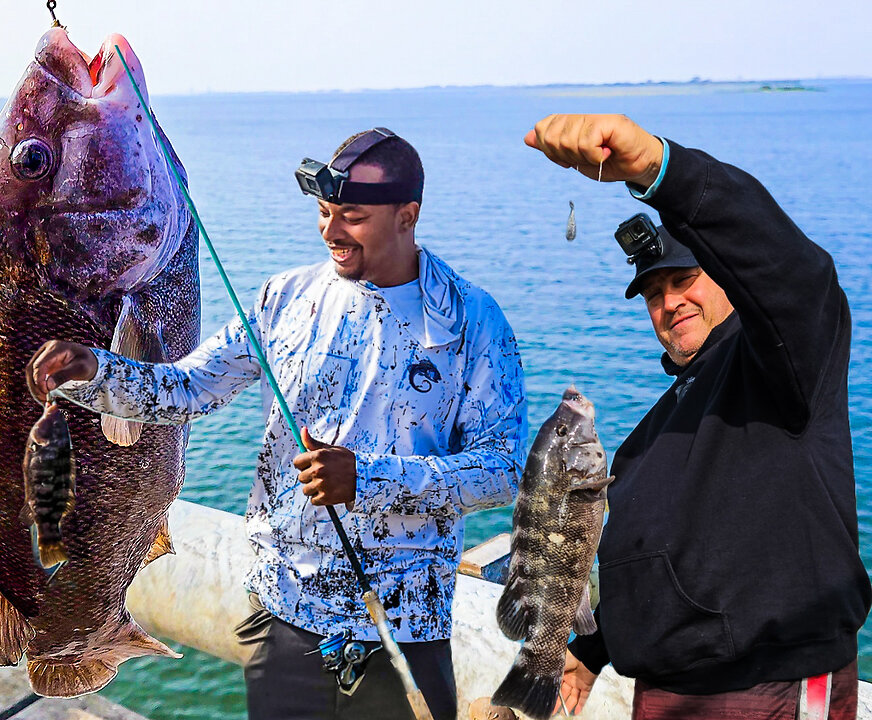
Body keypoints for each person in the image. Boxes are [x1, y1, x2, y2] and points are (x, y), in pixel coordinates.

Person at [27, 128, 527, 720]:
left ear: (407, 215)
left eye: (353, 217)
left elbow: (502, 471)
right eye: (324, 213)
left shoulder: (474, 321)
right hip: (284, 613)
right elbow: (188, 387)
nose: (331, 232)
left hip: (401, 627)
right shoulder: (284, 297)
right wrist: (95, 372)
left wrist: (366, 480)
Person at [525, 114, 871, 719]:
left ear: (729, 280)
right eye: (653, 294)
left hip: (768, 689)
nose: (669, 303)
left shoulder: (781, 361)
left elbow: (789, 270)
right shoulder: (652, 433)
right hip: (666, 692)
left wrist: (661, 170)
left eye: (685, 280)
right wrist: (592, 645)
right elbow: (671, 558)